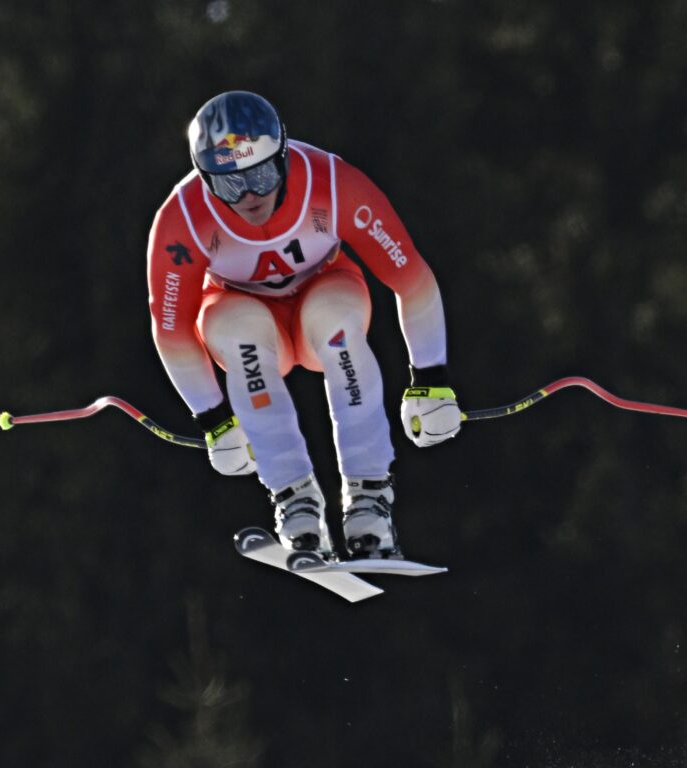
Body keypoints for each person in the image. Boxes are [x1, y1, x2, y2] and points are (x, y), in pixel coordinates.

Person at [147, 90, 461, 560]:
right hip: (242, 309)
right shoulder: (183, 219)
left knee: (336, 329)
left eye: (262, 174)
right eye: (230, 185)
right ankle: (294, 500)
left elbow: (413, 280)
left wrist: (431, 381)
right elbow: (171, 331)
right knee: (242, 339)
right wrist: (213, 418)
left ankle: (370, 500)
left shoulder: (333, 184)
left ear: (285, 155)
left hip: (326, 290)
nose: (250, 195)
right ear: (205, 179)